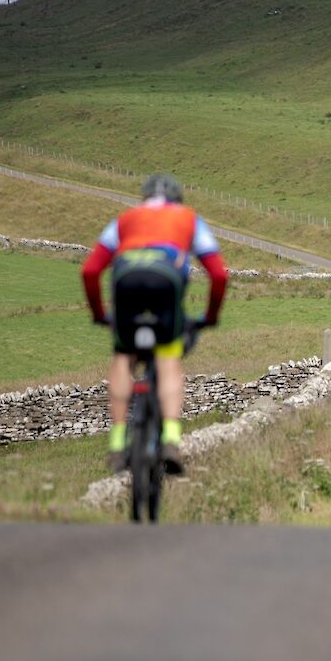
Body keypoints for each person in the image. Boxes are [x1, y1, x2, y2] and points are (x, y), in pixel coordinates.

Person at [81, 173, 228, 474]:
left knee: (123, 357)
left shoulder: (124, 220)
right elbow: (219, 274)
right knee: (168, 359)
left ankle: (118, 443)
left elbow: (90, 270)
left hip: (126, 279)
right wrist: (211, 316)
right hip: (166, 282)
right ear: (177, 199)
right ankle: (172, 441)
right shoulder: (189, 219)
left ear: (144, 198)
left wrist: (98, 314)